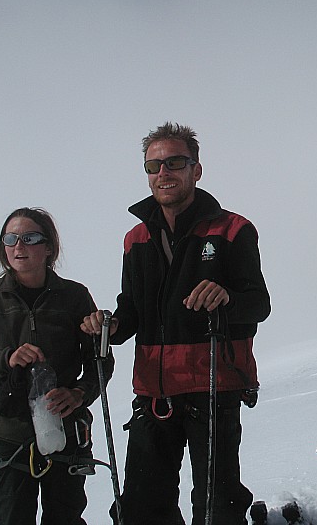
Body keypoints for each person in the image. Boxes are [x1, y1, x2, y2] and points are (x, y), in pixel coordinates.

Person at [81, 122, 271, 524]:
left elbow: (258, 303)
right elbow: (132, 311)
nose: (163, 173)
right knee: (142, 508)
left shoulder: (232, 230)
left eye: (175, 162)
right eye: (154, 165)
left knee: (217, 506)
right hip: (155, 391)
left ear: (196, 170)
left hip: (215, 384)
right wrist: (111, 326)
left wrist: (226, 299)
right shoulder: (136, 239)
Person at [0, 207, 113, 525]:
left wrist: (80, 393)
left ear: (49, 247)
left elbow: (100, 360)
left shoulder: (74, 297)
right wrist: (6, 359)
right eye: (10, 239)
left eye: (29, 238)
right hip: (8, 436)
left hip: (66, 431)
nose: (18, 246)